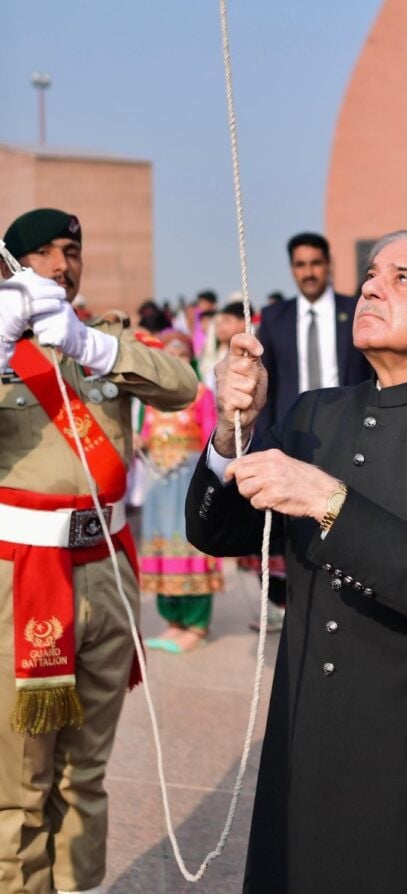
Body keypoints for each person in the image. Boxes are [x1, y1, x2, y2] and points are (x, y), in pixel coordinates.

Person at [186, 229, 407, 893]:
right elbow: (217, 532)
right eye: (374, 273)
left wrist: (329, 500)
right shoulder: (313, 413)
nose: (372, 286)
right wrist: (233, 431)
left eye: (403, 279)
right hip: (310, 732)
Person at [0, 207, 198, 894]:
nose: (62, 264)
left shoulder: (102, 337)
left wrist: (94, 348)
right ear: (13, 264)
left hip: (106, 572)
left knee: (86, 777)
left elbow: (184, 387)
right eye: (45, 253)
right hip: (24, 582)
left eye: (71, 250)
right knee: (20, 790)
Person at [249, 232, 371, 631]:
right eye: (301, 265)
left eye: (315, 263)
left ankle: (352, 604)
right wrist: (266, 445)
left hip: (350, 435)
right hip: (296, 438)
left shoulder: (355, 310)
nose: (309, 272)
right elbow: (268, 386)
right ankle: (303, 608)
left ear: (328, 264)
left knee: (349, 516)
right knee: (299, 528)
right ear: (292, 269)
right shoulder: (276, 318)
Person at [140, 329, 223, 653]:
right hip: (158, 485)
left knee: (192, 549)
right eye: (168, 355)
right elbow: (146, 434)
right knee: (162, 551)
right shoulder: (152, 397)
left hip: (188, 482)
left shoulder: (202, 395)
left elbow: (212, 439)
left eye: (179, 354)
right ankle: (173, 620)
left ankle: (197, 624)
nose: (174, 360)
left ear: (188, 357)